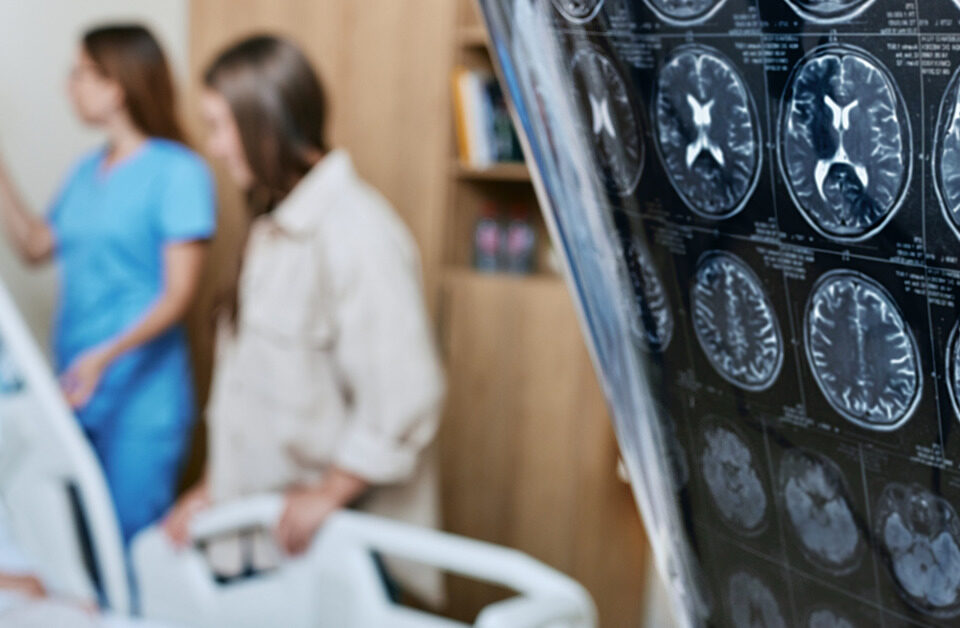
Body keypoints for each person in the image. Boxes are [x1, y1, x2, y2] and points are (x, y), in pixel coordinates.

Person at [163, 35, 445, 604]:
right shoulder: (275, 229)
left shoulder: (355, 233)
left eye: (220, 126)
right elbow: (259, 397)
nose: (215, 147)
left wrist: (329, 492)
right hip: (262, 538)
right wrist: (212, 489)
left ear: (264, 122)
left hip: (331, 541)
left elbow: (404, 397)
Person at [0, 25, 217, 544]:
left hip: (141, 396)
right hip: (75, 390)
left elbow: (178, 294)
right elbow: (35, 246)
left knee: (130, 547)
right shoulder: (84, 172)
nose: (68, 86)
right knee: (74, 548)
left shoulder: (178, 172)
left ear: (116, 85)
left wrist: (106, 354)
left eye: (80, 74)